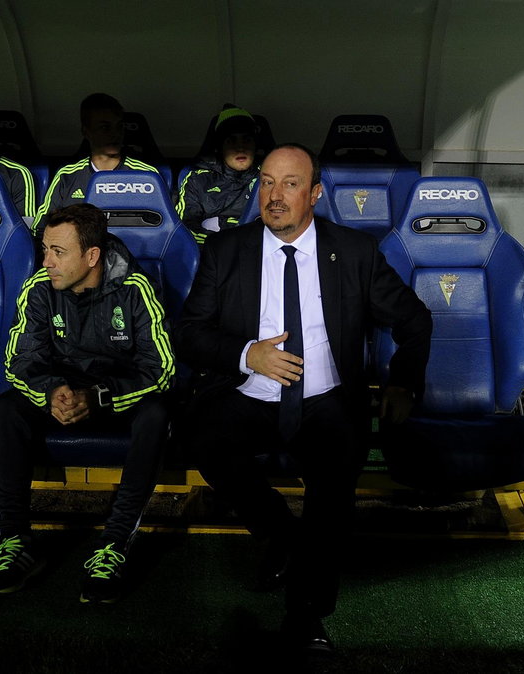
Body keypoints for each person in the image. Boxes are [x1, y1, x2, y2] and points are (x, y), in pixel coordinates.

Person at [176, 144, 432, 652]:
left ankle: (306, 613)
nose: (274, 196)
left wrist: (402, 382)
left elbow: (414, 318)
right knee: (202, 437)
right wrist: (249, 354)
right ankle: (279, 535)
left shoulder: (355, 252)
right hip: (251, 392)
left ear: (314, 193)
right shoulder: (226, 252)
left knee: (332, 491)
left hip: (327, 399)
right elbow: (188, 332)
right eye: (267, 182)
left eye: (290, 184)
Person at [0, 203, 174, 604]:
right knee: (8, 407)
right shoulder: (39, 288)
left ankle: (115, 545)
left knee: (156, 413)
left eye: (58, 252)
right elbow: (19, 362)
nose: (46, 261)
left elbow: (160, 369)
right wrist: (52, 391)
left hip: (115, 401)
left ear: (92, 256)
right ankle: (15, 540)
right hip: (63, 398)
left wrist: (100, 397)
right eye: (45, 249)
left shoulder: (136, 290)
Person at [31, 93, 160, 233]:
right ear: (86, 132)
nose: (115, 134)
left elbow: (165, 227)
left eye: (119, 126)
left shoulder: (147, 175)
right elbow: (41, 227)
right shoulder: (67, 175)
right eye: (105, 128)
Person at [176, 105, 260, 245]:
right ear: (220, 147)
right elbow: (184, 228)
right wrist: (224, 243)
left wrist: (223, 227)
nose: (240, 148)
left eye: (246, 140)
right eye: (231, 141)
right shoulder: (197, 179)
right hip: (212, 255)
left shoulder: (270, 176)